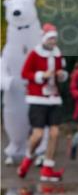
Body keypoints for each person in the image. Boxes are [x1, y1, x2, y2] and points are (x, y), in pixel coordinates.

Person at [17, 23, 68, 182]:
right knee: (38, 135)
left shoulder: (58, 54)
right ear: (44, 39)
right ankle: (27, 158)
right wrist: (42, 75)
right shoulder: (34, 54)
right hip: (37, 98)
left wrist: (61, 75)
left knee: (55, 133)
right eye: (50, 38)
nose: (53, 41)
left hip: (53, 98)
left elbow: (62, 74)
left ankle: (47, 168)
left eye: (54, 39)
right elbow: (24, 73)